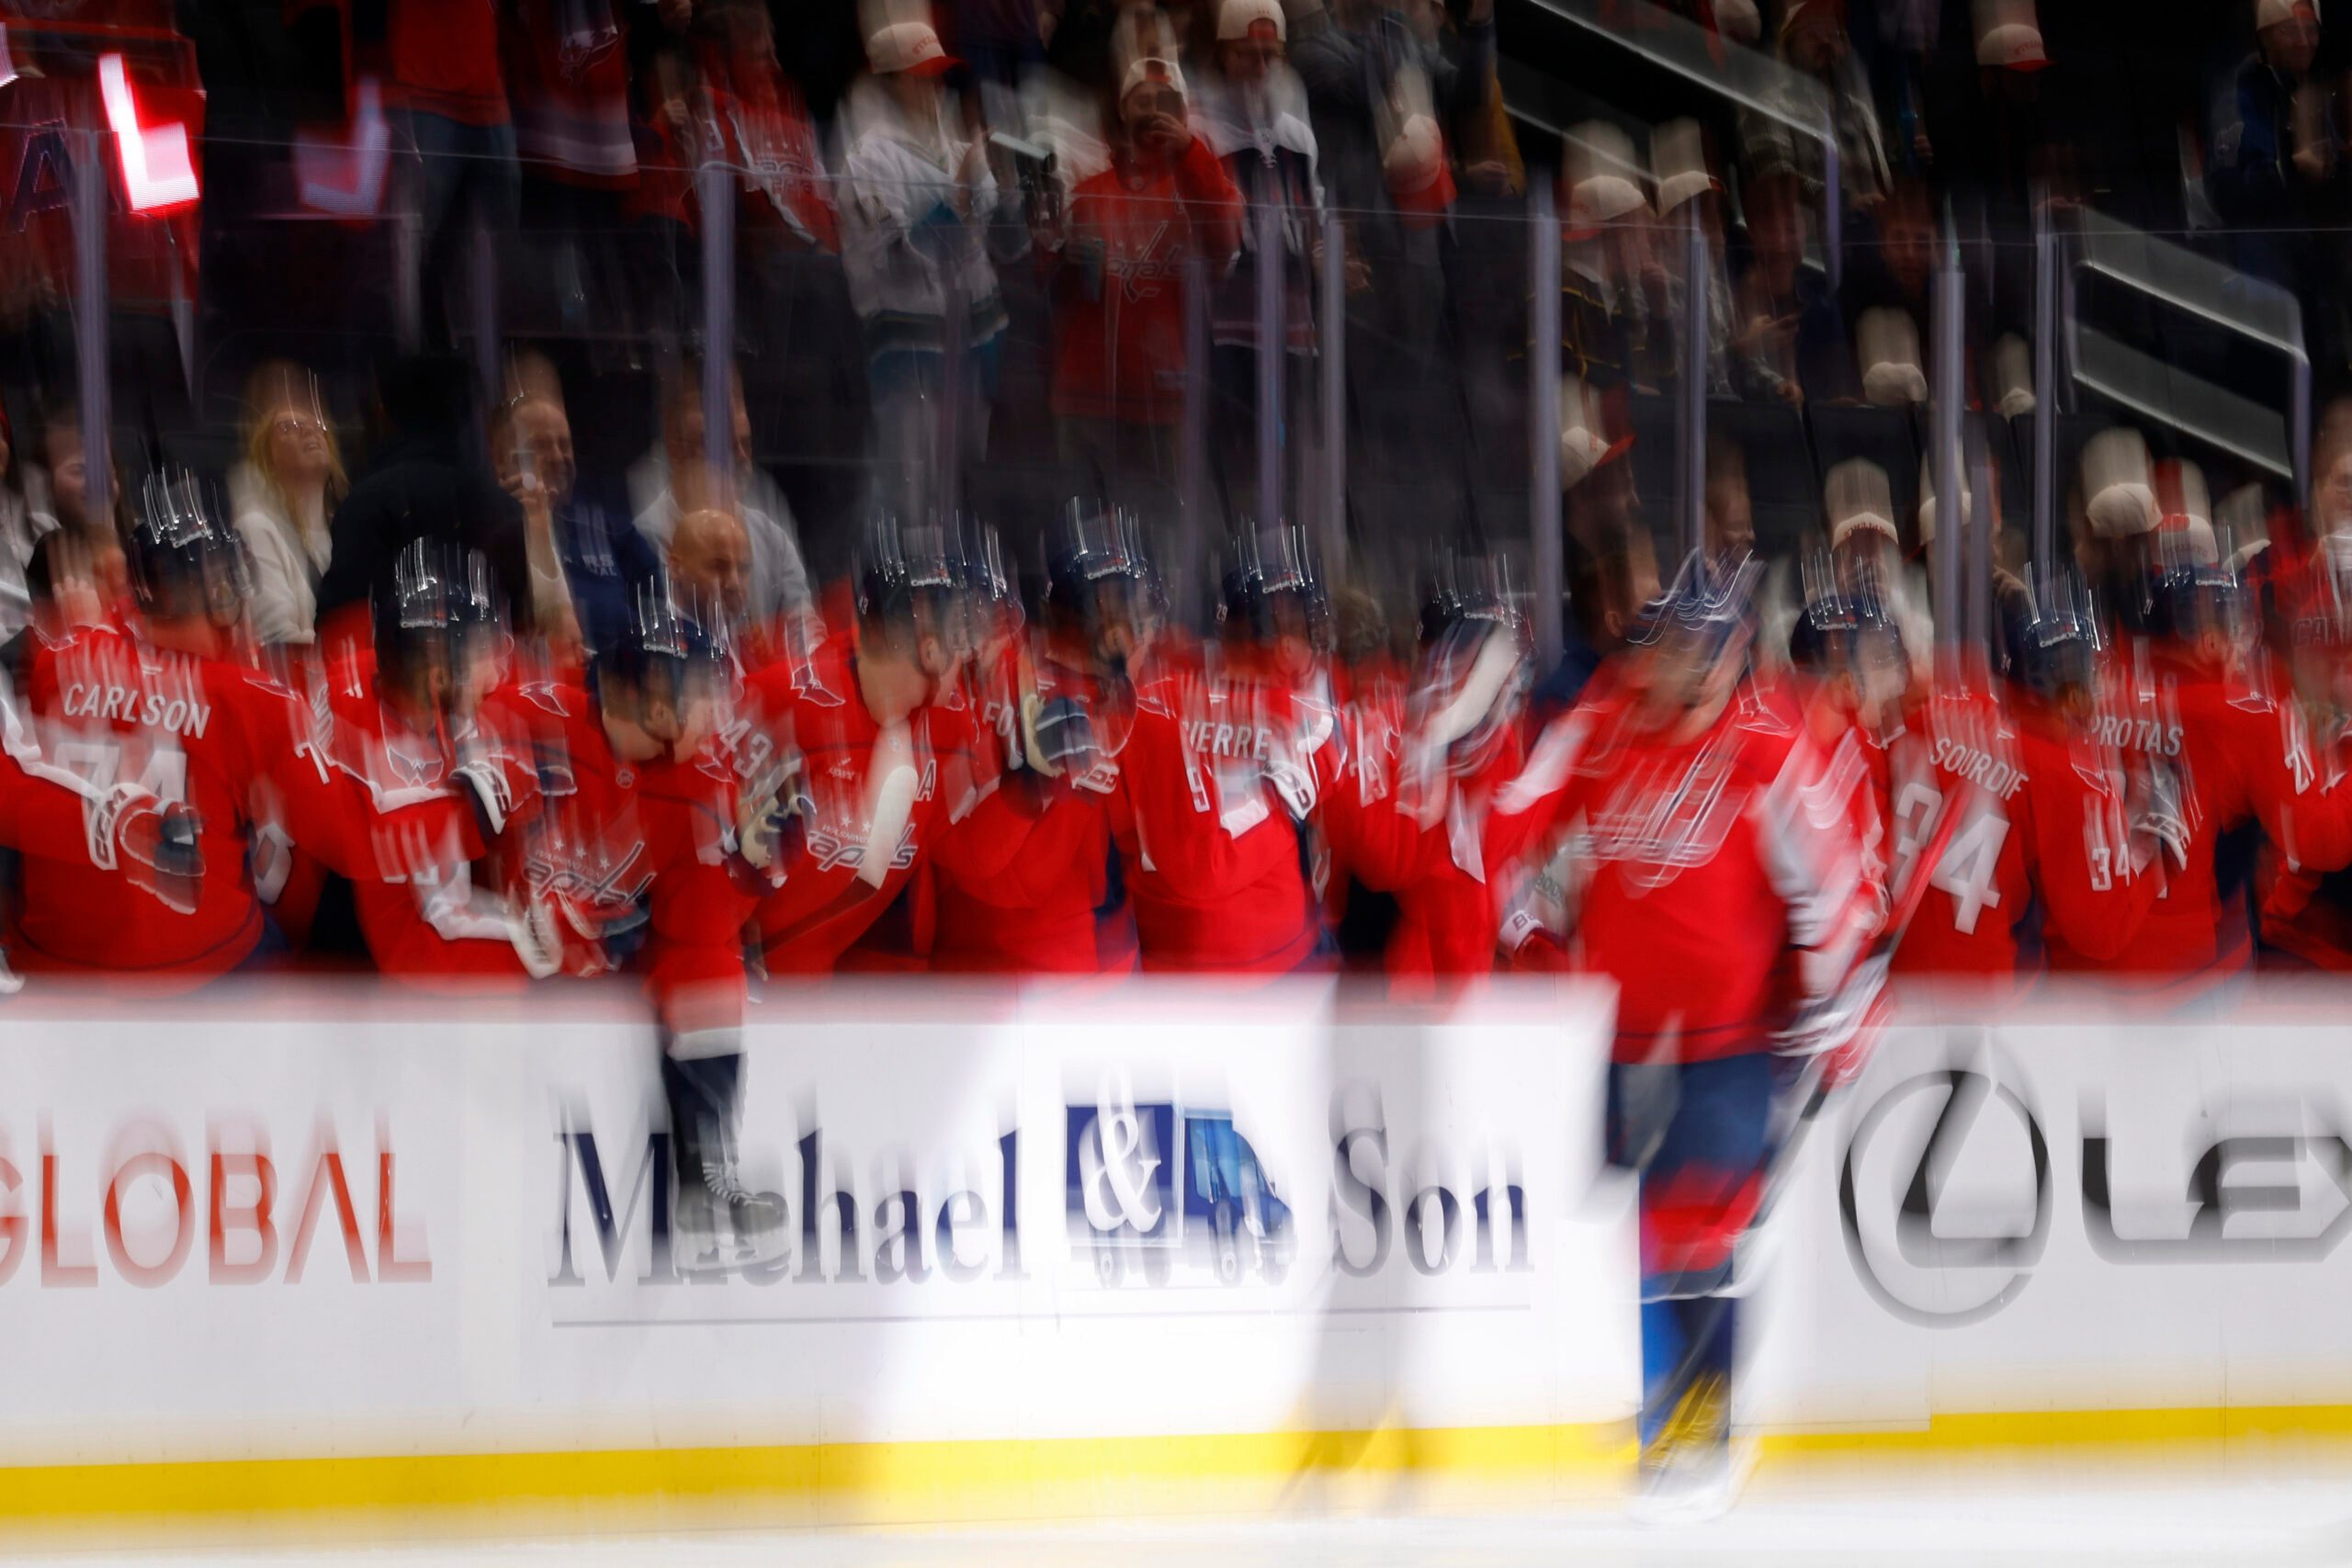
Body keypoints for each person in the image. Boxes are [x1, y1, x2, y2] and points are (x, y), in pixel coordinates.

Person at [1485, 553, 1884, 1514]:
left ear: (1729, 658)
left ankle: (1711, 1418)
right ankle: (1669, 1402)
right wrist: (1521, 904)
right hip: (1632, 1033)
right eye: (1667, 646)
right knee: (1654, 1225)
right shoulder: (1608, 718)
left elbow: (1831, 886)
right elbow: (1519, 814)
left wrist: (1835, 1007)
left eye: (1696, 652)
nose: (1674, 669)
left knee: (1705, 1225)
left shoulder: (1768, 745)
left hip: (1733, 1034)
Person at [1051, 56, 1245, 556]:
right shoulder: (1090, 191)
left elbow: (1224, 244)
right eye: (1144, 100)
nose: (1154, 111)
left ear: (1184, 112)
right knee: (1087, 539)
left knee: (1166, 536)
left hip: (1163, 398)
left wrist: (1189, 154)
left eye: (1167, 102)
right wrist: (1047, 239)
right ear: (1122, 108)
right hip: (1087, 395)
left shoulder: (1203, 182)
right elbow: (1059, 284)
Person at [836, 17, 1010, 525]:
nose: (933, 89)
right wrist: (958, 197)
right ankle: (898, 593)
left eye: (938, 77)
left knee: (959, 494)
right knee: (907, 489)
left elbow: (995, 246)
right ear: (891, 83)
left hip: (968, 348)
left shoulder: (956, 149)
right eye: (920, 76)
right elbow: (897, 260)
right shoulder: (867, 159)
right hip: (908, 352)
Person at [313, 356, 535, 644]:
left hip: (395, 678)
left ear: (387, 413)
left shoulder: (367, 502)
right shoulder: (501, 507)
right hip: (491, 674)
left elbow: (340, 623)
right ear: (468, 415)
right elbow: (526, 623)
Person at [627, 361, 813, 630]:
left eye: (746, 443)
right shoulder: (646, 538)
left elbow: (806, 634)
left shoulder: (772, 537)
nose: (741, 457)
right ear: (679, 447)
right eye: (725, 444)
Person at [491, 384, 661, 665]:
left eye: (564, 444)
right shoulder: (496, 541)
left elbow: (658, 601)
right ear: (502, 461)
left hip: (623, 685)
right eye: (541, 446)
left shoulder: (605, 525)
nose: (559, 457)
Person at [230, 363, 348, 648]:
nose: (309, 429)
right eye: (288, 427)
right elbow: (278, 641)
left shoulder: (346, 528)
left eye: (316, 424)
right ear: (266, 456)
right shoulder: (256, 527)